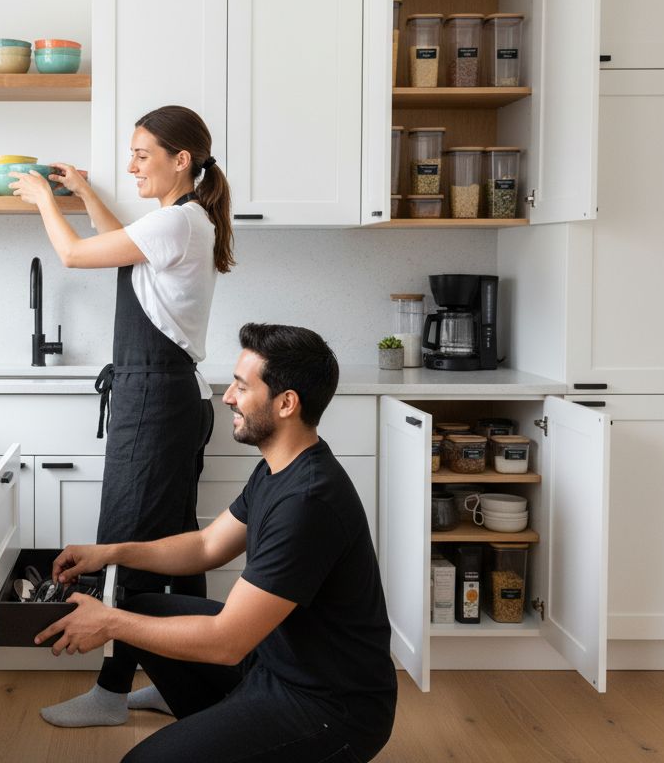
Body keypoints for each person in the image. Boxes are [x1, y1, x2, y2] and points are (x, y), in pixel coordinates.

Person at [34, 324, 398, 762]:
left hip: (330, 708)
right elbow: (207, 545)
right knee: (139, 606)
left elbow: (226, 641)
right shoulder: (278, 468)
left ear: (286, 403)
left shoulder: (308, 502)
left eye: (242, 387)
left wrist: (109, 624)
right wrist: (112, 551)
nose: (227, 397)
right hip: (275, 663)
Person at [8, 105, 235, 727]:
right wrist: (82, 192)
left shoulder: (179, 223)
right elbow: (120, 248)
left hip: (157, 405)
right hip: (167, 399)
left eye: (142, 154)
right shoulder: (178, 222)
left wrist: (41, 201)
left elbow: (78, 256)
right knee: (178, 550)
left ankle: (111, 692)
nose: (131, 165)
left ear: (180, 160)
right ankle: (185, 686)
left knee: (127, 551)